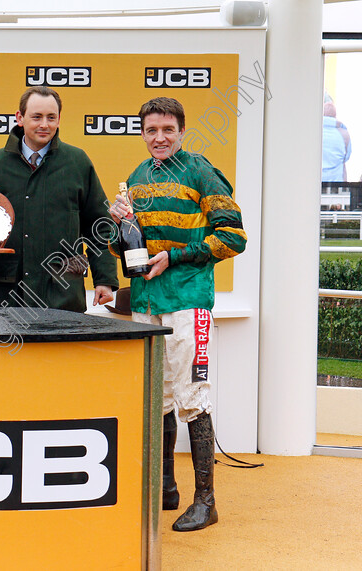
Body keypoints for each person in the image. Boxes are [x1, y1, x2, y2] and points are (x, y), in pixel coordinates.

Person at [109, 97, 246, 532]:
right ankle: (165, 488)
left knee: (191, 398)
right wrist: (117, 226)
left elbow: (233, 237)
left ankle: (206, 501)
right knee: (159, 398)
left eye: (168, 129)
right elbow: (127, 250)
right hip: (147, 303)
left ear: (182, 131)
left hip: (188, 302)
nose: (160, 137)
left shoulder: (201, 171)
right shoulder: (135, 177)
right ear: (143, 133)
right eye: (151, 130)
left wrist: (176, 255)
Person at [0, 86, 117, 312]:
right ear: (19, 118)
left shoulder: (77, 162)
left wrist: (104, 279)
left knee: (60, 349)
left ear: (59, 119)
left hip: (62, 295)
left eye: (51, 117)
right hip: (6, 295)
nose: (44, 124)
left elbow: (99, 226)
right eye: (36, 117)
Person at [322, 102, 352, 182]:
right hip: (336, 182)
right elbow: (347, 156)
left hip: (315, 181)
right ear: (335, 116)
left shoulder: (313, 132)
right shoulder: (344, 134)